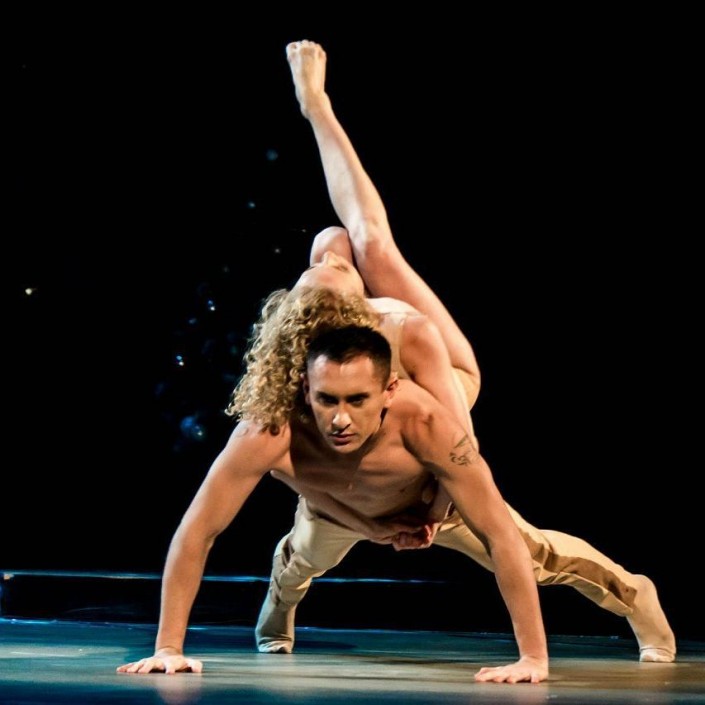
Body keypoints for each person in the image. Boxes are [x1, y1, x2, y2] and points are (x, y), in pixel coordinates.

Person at [247, 41, 676, 663]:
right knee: (304, 554)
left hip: (436, 419)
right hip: (344, 484)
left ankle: (635, 594)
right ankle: (278, 606)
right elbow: (278, 462)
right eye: (330, 266)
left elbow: (460, 441)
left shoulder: (401, 326)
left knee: (530, 552)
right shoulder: (292, 364)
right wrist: (366, 522)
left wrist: (433, 512)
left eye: (339, 267)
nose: (339, 259)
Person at [118, 324, 550, 683]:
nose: (340, 419)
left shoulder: (429, 422)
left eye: (357, 400)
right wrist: (167, 647)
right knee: (301, 563)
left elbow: (498, 534)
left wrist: (532, 658)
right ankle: (279, 606)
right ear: (307, 389)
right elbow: (198, 530)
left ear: (389, 390)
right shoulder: (269, 429)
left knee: (546, 557)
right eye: (327, 399)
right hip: (329, 507)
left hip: (422, 509)